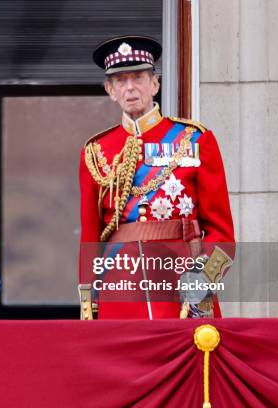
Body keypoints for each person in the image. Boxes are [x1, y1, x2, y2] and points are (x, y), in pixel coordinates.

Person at [79, 35, 235, 319]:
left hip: (184, 280)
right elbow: (91, 239)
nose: (130, 88)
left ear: (155, 83)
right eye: (120, 81)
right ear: (109, 90)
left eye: (138, 77)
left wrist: (204, 278)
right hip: (120, 288)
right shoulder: (96, 151)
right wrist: (90, 304)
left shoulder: (195, 139)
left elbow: (223, 233)